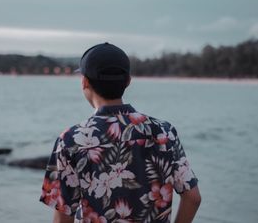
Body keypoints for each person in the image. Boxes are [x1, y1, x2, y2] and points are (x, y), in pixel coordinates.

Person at [40, 42, 201, 223]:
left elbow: (63, 217)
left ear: (84, 82)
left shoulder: (71, 140)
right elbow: (193, 198)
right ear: (128, 81)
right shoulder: (164, 132)